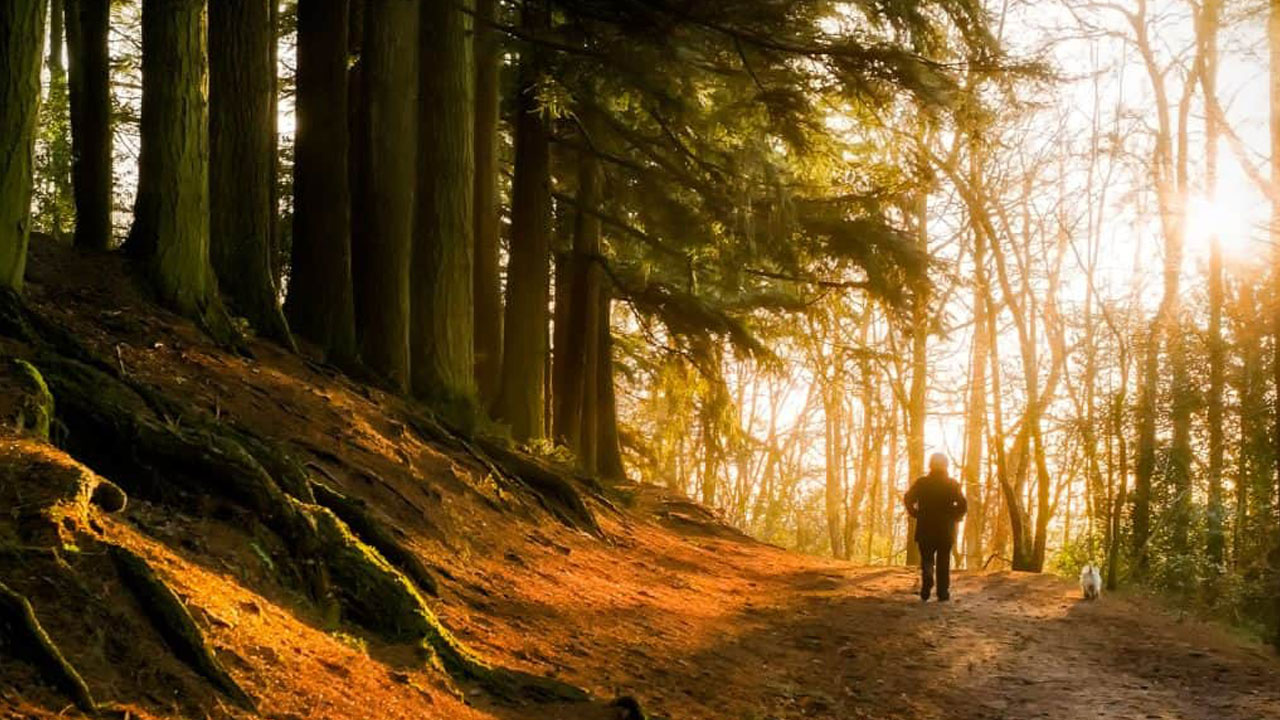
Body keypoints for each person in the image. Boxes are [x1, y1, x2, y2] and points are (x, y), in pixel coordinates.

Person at [904, 453, 967, 602]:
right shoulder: (952, 484)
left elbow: (908, 498)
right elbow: (963, 505)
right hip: (946, 528)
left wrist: (914, 513)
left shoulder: (922, 483)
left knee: (927, 558)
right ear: (946, 466)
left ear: (930, 465)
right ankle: (942, 592)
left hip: (925, 526)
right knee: (943, 561)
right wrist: (955, 517)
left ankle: (927, 579)